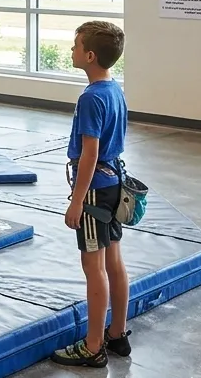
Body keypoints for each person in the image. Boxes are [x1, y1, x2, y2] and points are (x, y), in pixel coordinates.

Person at [50, 21, 130, 368]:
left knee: (93, 266)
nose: (72, 51)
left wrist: (77, 200)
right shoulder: (114, 89)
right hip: (114, 184)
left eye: (75, 46)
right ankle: (117, 333)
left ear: (90, 56)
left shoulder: (91, 98)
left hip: (96, 191)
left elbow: (90, 154)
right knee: (114, 261)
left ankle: (93, 345)